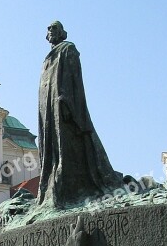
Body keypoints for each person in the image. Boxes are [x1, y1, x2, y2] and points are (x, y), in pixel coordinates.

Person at [38, 21, 122, 207]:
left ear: (62, 33)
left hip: (64, 107)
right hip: (49, 113)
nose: (50, 32)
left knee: (69, 148)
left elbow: (74, 79)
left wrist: (67, 101)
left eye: (54, 29)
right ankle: (55, 183)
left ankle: (68, 186)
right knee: (53, 148)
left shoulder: (68, 50)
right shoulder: (47, 59)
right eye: (49, 29)